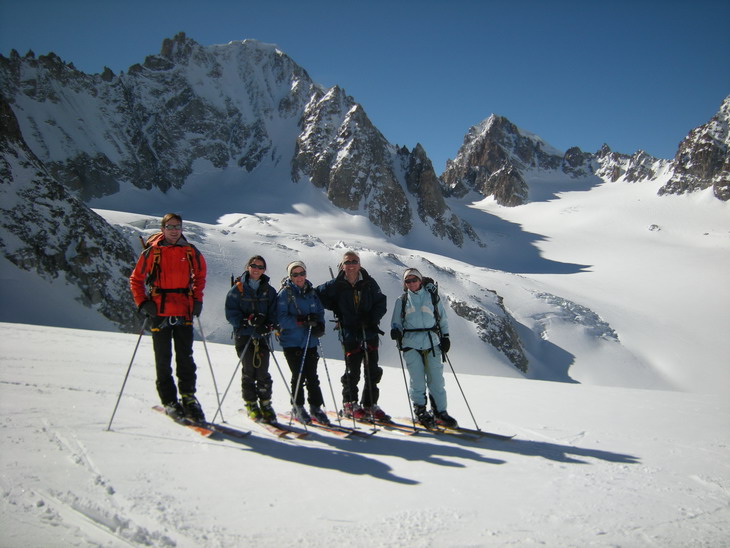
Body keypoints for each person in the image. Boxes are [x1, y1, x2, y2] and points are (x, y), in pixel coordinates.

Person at [129, 213, 207, 422]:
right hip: (160, 310)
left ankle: (188, 398)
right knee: (163, 359)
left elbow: (200, 275)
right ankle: (170, 400)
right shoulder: (152, 252)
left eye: (178, 226)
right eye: (170, 226)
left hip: (183, 310)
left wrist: (197, 299)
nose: (174, 230)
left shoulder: (190, 251)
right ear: (163, 229)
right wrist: (143, 303)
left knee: (185, 358)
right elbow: (136, 279)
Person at [316, 251, 388, 420]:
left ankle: (370, 404)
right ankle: (349, 404)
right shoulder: (336, 284)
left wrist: (371, 318)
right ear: (343, 265)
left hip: (369, 331)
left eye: (354, 261)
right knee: (352, 371)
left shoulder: (369, 283)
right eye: (348, 262)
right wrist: (334, 306)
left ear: (359, 264)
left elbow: (381, 302)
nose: (351, 265)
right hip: (349, 332)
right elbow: (317, 294)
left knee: (372, 370)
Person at [390, 268, 458, 428]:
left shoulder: (433, 297)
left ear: (420, 280)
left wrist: (445, 337)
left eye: (414, 280)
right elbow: (396, 321)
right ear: (404, 284)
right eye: (408, 281)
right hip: (411, 344)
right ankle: (421, 411)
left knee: (436, 380)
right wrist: (395, 331)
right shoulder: (402, 300)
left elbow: (442, 319)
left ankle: (440, 412)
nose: (411, 283)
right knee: (417, 380)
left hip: (432, 342)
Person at [224, 255, 278, 423]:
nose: (257, 269)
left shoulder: (269, 291)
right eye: (254, 265)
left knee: (263, 372)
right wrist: (247, 320)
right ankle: (251, 404)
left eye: (260, 267)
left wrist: (268, 325)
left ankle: (265, 403)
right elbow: (231, 312)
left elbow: (274, 312)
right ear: (248, 267)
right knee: (249, 371)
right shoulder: (238, 289)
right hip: (244, 335)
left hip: (261, 336)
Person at [276, 261, 328, 425]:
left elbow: (320, 311)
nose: (299, 277)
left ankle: (315, 407)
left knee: (312, 376)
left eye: (301, 273)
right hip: (292, 341)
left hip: (310, 340)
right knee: (298, 375)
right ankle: (297, 406)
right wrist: (302, 320)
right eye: (295, 274)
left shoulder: (311, 292)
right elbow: (280, 318)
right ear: (290, 276)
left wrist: (320, 325)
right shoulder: (285, 294)